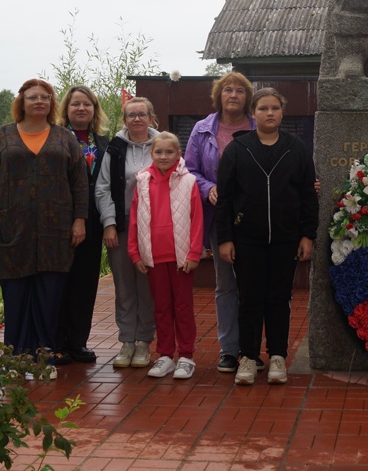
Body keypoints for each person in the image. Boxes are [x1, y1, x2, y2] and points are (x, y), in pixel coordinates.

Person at [0, 79, 88, 379]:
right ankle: (15, 357)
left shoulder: (64, 138)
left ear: (51, 104)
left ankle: (44, 357)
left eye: (45, 97)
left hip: (57, 231)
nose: (39, 101)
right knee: (16, 296)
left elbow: (79, 183)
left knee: (50, 296)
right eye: (32, 97)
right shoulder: (1, 137)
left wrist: (79, 220)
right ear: (21, 102)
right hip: (12, 229)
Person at [215, 88, 318, 386]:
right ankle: (247, 357)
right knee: (249, 299)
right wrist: (225, 238)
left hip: (286, 238)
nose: (269, 113)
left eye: (275, 108)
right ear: (254, 113)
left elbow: (308, 196)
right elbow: (225, 198)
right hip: (246, 238)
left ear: (282, 112)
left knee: (278, 298)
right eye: (263, 108)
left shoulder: (296, 148)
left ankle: (277, 357)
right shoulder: (238, 149)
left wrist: (307, 235)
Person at [185, 72, 256, 374]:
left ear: (247, 97)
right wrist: (207, 188)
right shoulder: (202, 130)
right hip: (219, 216)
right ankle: (229, 349)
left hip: (255, 216)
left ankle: (251, 349)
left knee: (253, 285)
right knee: (226, 283)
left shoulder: (257, 126)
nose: (234, 95)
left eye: (240, 90)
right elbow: (189, 169)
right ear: (219, 95)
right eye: (228, 89)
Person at [129, 132, 203, 381]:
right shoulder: (142, 180)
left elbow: (196, 220)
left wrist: (194, 252)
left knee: (182, 307)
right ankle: (165, 354)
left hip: (181, 257)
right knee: (161, 308)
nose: (163, 156)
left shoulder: (189, 181)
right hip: (154, 256)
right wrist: (134, 251)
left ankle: (186, 356)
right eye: (158, 152)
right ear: (151, 154)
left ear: (178, 154)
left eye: (169, 152)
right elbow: (134, 219)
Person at [96, 97, 160, 369]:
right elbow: (102, 187)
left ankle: (144, 341)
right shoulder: (115, 148)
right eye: (131, 115)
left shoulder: (163, 144)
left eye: (142, 114)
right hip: (121, 224)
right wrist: (109, 223)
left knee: (147, 285)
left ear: (151, 117)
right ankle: (126, 341)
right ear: (125, 119)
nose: (136, 119)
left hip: (154, 227)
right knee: (124, 285)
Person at [54, 85, 110, 363]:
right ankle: (56, 341)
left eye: (87, 104)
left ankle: (78, 341)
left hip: (94, 221)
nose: (81, 109)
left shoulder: (104, 143)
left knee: (85, 282)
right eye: (75, 104)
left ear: (94, 110)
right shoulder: (55, 139)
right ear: (66, 109)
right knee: (60, 280)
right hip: (61, 222)